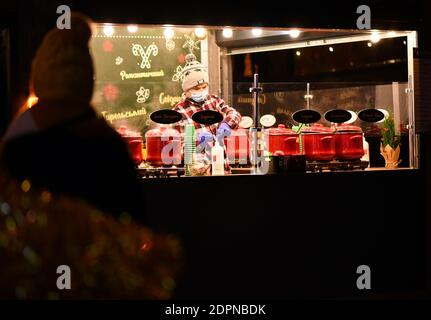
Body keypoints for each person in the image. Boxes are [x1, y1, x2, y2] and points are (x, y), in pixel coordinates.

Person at [0, 13, 145, 223]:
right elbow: (135, 221)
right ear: (87, 79)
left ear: (39, 78)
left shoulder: (18, 138)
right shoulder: (108, 143)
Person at [172, 54, 242, 172]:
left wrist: (226, 124)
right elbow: (177, 148)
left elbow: (234, 114)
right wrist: (198, 145)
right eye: (197, 88)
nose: (202, 91)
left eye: (204, 87)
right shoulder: (178, 112)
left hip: (222, 169)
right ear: (187, 90)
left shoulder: (213, 101)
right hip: (199, 172)